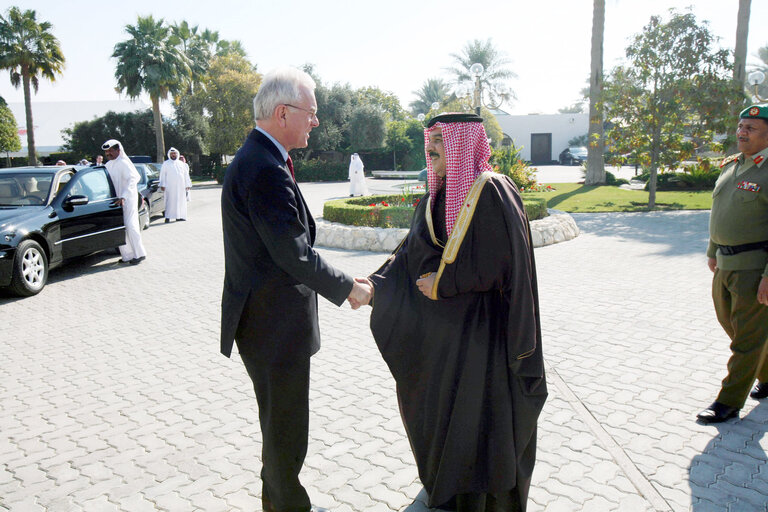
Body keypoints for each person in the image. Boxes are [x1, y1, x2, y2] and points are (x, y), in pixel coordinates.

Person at [363, 113, 547, 511]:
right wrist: (375, 286)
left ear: (464, 144)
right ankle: (449, 489)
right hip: (445, 345)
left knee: (482, 425)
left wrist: (444, 284)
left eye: (440, 145)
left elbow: (501, 259)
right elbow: (410, 253)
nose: (431, 152)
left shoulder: (494, 190)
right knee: (447, 419)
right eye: (430, 145)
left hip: (485, 342)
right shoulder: (438, 196)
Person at [219, 66, 372, 512]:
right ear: (282, 112)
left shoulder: (262, 158)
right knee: (286, 437)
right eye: (312, 112)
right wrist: (348, 289)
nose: (316, 121)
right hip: (273, 329)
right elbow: (294, 254)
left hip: (269, 325)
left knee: (280, 432)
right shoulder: (263, 168)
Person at [697, 104, 768, 424]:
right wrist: (713, 249)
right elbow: (720, 210)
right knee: (734, 326)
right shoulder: (731, 165)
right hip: (724, 264)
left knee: (747, 338)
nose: (741, 132)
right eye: (741, 126)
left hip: (754, 268)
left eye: (750, 128)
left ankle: (728, 401)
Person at [102, 139, 147, 265]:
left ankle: (139, 254)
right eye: (106, 152)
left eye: (110, 151)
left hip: (128, 200)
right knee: (121, 228)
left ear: (118, 150)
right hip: (116, 201)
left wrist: (124, 196)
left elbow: (133, 179)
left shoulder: (124, 163)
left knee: (131, 226)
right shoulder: (108, 165)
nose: (108, 154)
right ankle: (127, 255)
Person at [160, 147, 192, 223]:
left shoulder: (181, 164)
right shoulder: (166, 164)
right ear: (169, 155)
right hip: (170, 187)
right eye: (172, 154)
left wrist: (187, 185)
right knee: (170, 202)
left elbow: (186, 175)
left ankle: (180, 216)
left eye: (174, 153)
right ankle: (168, 217)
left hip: (181, 187)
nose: (173, 155)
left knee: (181, 201)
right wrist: (162, 184)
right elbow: (162, 175)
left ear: (177, 154)